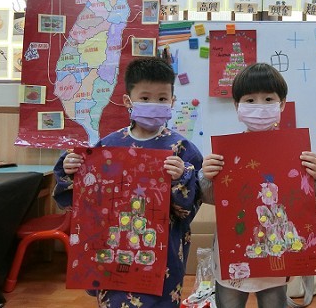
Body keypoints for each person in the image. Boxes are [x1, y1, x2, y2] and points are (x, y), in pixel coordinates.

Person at [52, 56, 203, 307]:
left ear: (172, 101)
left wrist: (181, 177)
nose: (154, 104)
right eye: (145, 98)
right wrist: (71, 171)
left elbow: (189, 207)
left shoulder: (182, 148)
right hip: (112, 246)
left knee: (161, 300)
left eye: (162, 99)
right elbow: (82, 202)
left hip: (161, 252)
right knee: (116, 299)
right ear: (128, 101)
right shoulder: (108, 146)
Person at [199, 62, 316, 308]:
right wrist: (207, 176)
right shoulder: (226, 155)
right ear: (237, 105)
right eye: (250, 100)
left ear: (282, 104)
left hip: (274, 254)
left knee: (274, 302)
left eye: (268, 99)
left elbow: (310, 199)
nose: (260, 106)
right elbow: (211, 197)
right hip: (233, 252)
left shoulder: (296, 152)